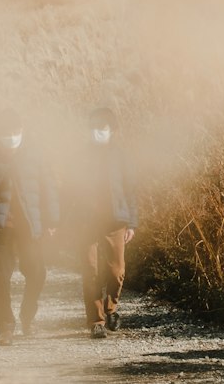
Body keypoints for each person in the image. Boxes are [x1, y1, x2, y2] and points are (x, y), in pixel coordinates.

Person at [0, 107, 59, 345]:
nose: (11, 136)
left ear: (22, 131)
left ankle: (27, 317)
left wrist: (52, 220)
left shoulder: (35, 155)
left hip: (29, 227)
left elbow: (48, 187)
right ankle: (4, 326)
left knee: (37, 272)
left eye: (15, 131)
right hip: (0, 229)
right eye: (5, 132)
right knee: (0, 277)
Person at [76, 107, 138, 340]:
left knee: (116, 271)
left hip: (115, 220)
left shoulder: (121, 157)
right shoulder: (80, 156)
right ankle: (96, 321)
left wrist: (132, 223)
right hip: (86, 223)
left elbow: (131, 192)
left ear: (113, 130)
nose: (98, 133)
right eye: (94, 128)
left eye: (102, 128)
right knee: (90, 270)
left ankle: (111, 308)